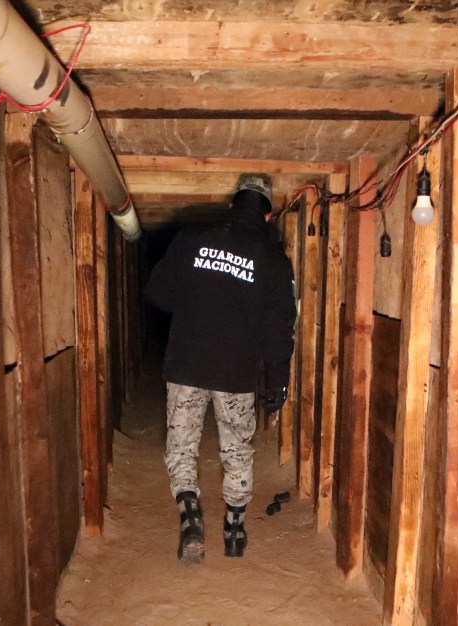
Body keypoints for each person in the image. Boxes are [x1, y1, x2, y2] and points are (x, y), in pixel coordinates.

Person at [144, 173, 296, 563]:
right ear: (267, 214)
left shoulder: (193, 239)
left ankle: (190, 514)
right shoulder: (274, 262)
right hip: (236, 374)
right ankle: (234, 527)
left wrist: (196, 294)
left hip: (186, 365)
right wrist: (278, 382)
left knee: (181, 447)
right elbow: (279, 330)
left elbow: (158, 293)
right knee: (237, 449)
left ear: (233, 203)